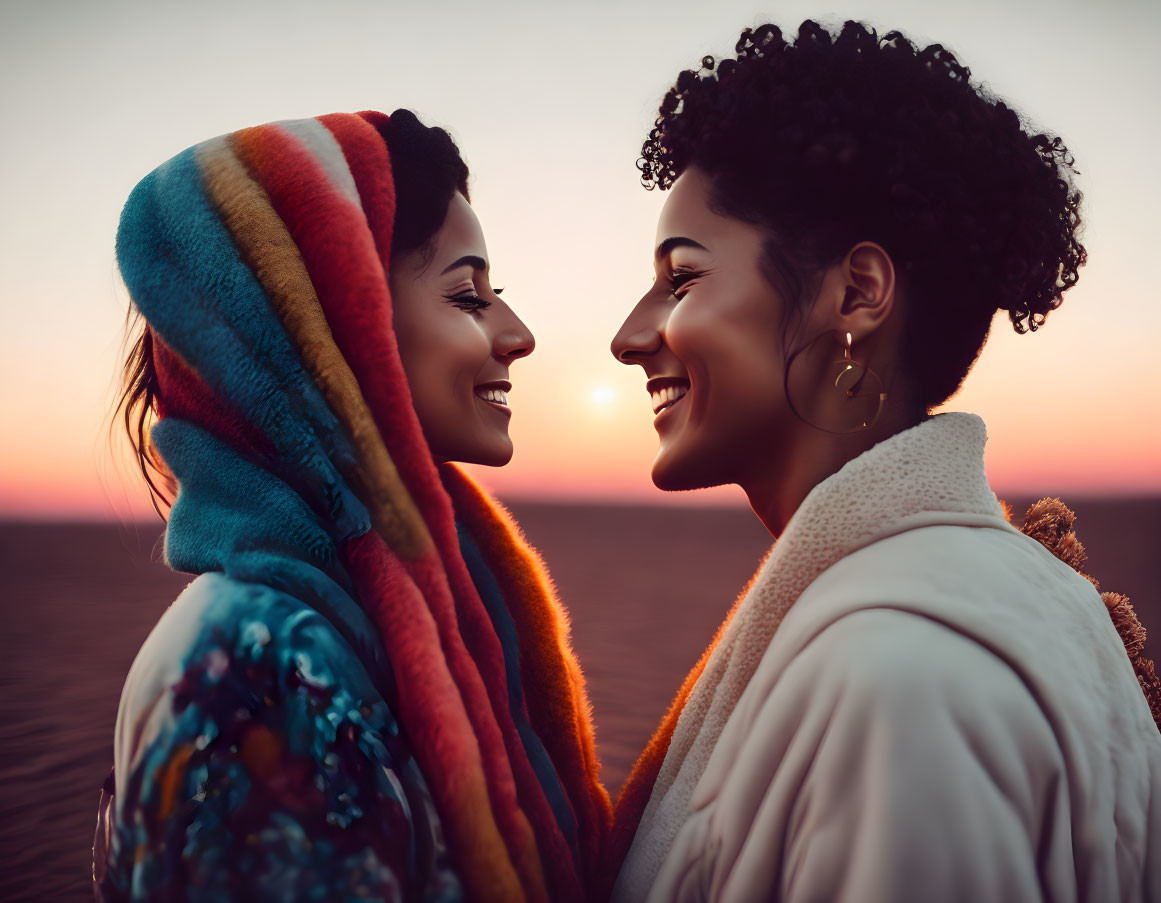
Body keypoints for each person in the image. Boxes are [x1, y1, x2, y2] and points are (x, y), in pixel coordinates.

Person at [606, 21, 1161, 903]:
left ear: (856, 293)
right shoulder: (991, 598)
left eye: (681, 278)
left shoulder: (900, 685)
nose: (630, 336)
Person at [93, 109, 609, 902]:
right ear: (335, 325)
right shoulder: (254, 674)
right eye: (469, 295)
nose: (519, 334)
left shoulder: (390, 614)